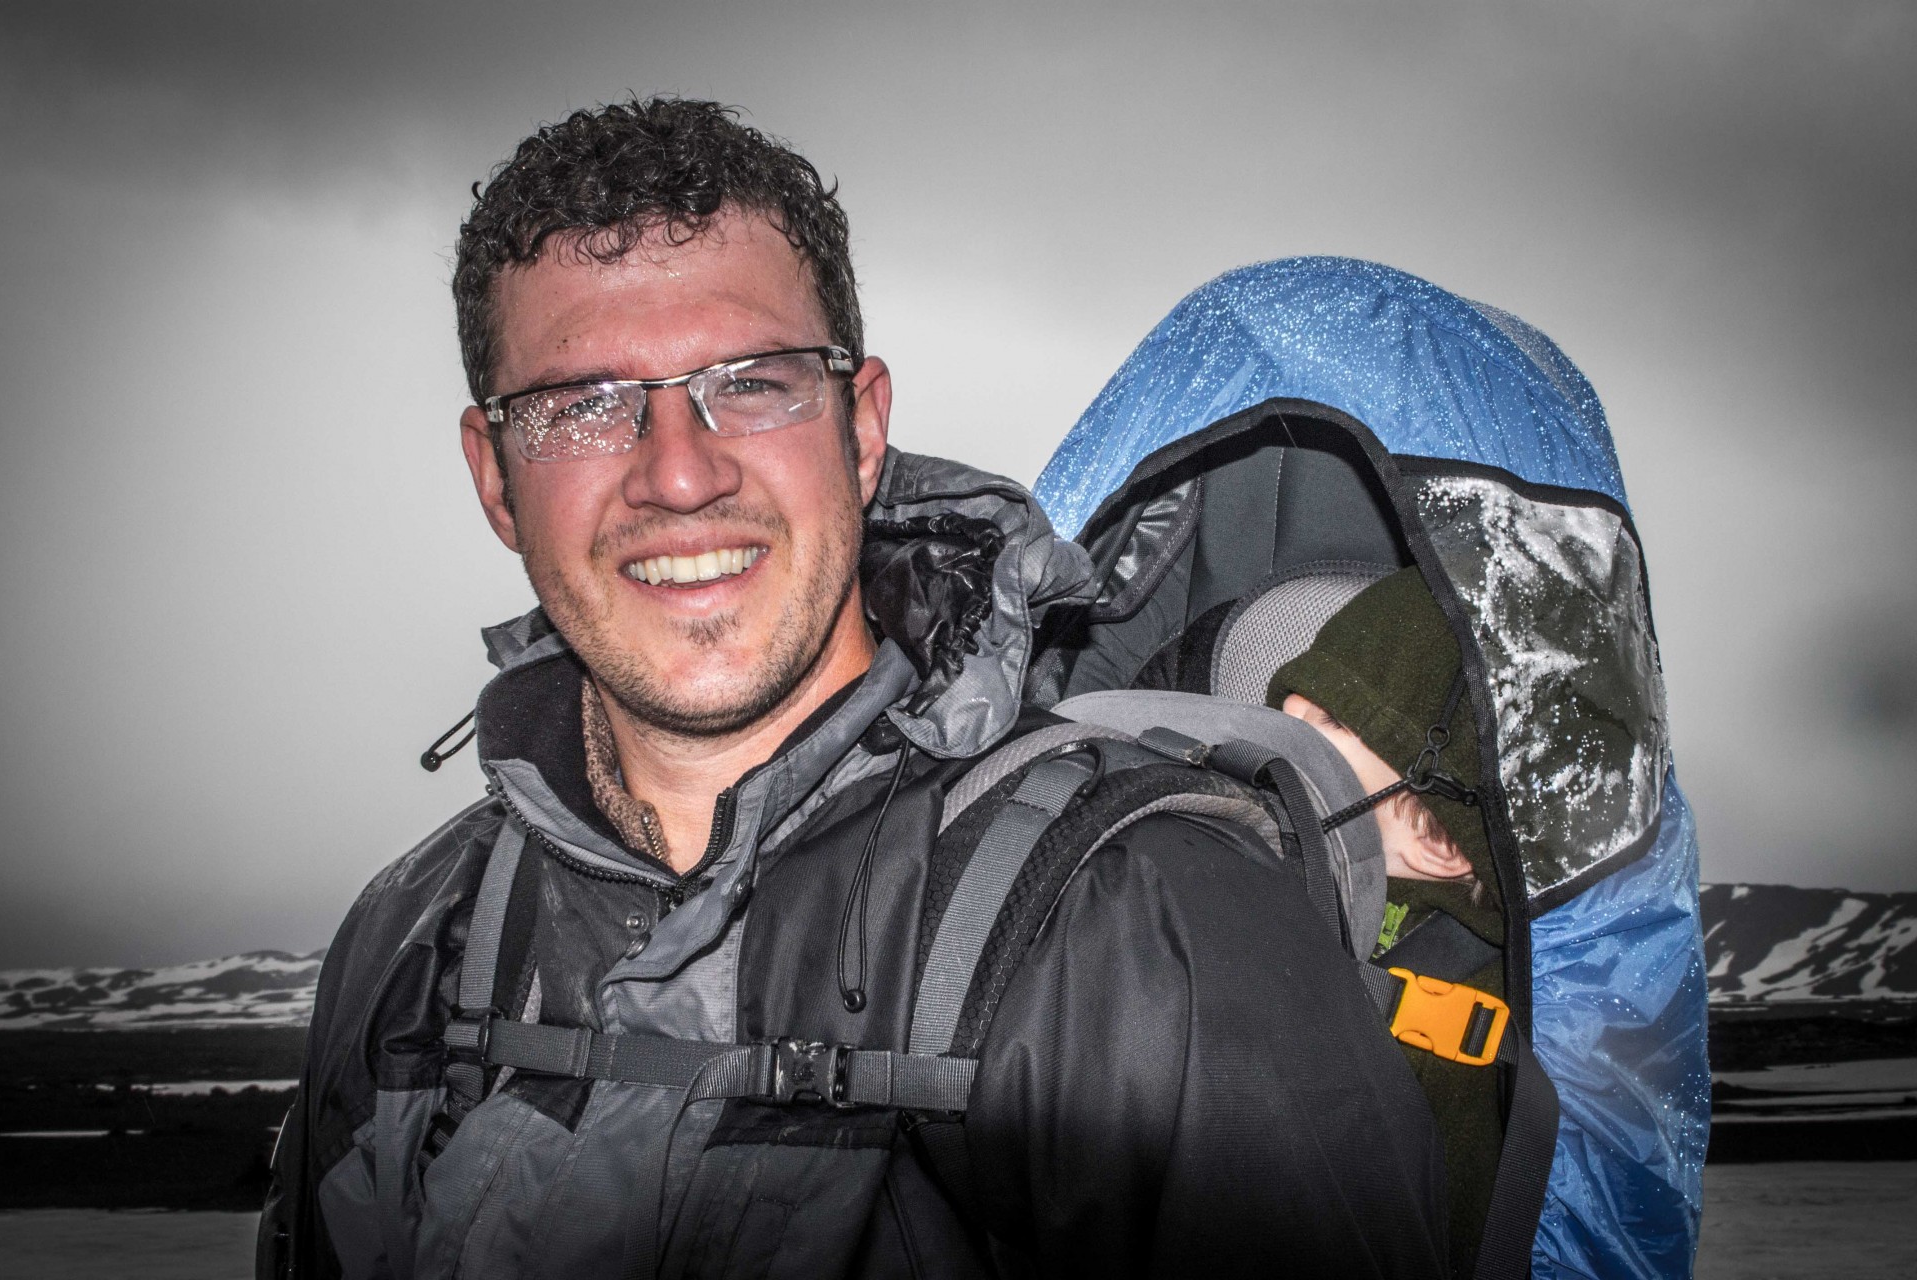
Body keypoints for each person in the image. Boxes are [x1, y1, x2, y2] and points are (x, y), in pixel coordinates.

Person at [257, 97, 1449, 1278]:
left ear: (862, 427)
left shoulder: (1151, 931)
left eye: (756, 381)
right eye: (585, 405)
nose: (678, 472)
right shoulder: (414, 938)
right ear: (495, 477)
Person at [1269, 566, 1505, 1280]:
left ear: (1438, 842)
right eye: (1290, 706)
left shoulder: (1454, 1021)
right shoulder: (1314, 886)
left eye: (1334, 723)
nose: (1279, 733)